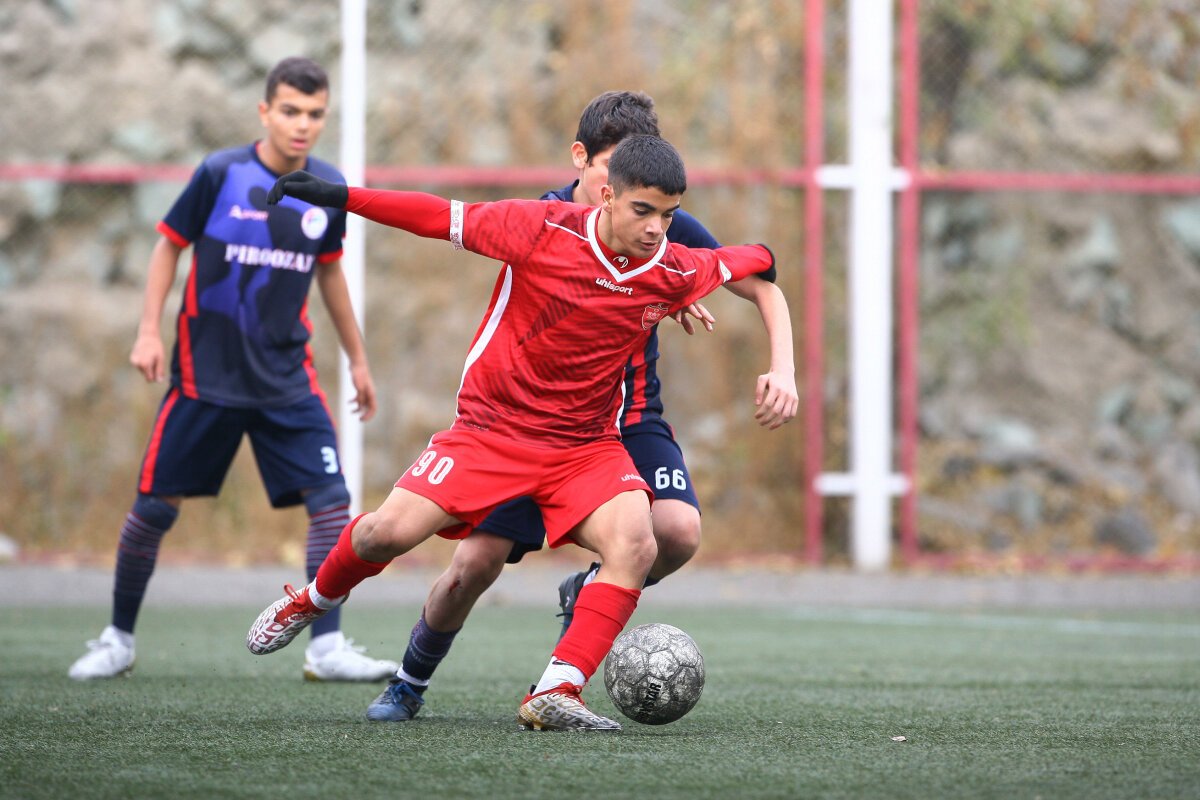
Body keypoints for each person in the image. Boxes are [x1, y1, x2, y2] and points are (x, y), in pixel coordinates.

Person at [247, 134, 783, 730]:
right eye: (643, 210)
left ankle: (557, 690)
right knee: (385, 535)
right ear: (607, 196)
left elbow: (747, 260)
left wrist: (764, 258)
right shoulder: (539, 227)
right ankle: (312, 600)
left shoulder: (674, 268)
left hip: (585, 447)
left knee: (638, 543)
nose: (657, 228)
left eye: (669, 214)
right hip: (491, 432)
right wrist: (341, 196)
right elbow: (434, 216)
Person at [68, 57, 397, 684]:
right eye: (291, 111)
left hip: (286, 381)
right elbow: (168, 244)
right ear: (265, 112)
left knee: (333, 505)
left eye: (315, 114)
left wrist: (357, 360)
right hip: (205, 379)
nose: (302, 124)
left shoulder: (326, 186)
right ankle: (117, 639)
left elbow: (329, 273)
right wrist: (147, 331)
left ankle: (326, 647)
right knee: (154, 508)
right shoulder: (221, 173)